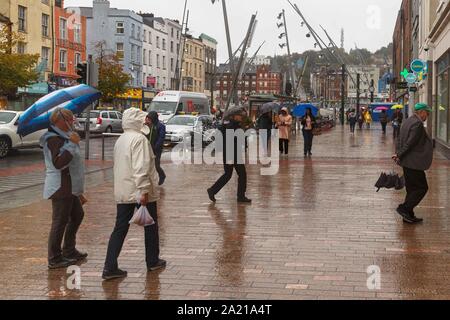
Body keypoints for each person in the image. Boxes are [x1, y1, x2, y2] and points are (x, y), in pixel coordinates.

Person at [103, 108, 165, 280]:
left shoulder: (121, 139)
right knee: (150, 226)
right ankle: (152, 261)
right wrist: (144, 190)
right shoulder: (139, 139)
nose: (145, 122)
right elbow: (141, 167)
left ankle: (109, 266)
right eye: (142, 119)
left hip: (124, 190)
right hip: (139, 191)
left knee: (120, 227)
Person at [40, 108, 88, 269]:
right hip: (60, 187)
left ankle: (68, 249)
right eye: (70, 119)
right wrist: (72, 144)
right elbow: (59, 163)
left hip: (70, 187)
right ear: (60, 120)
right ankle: (54, 257)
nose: (72, 122)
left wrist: (79, 192)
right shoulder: (53, 138)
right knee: (59, 221)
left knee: (77, 215)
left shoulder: (64, 136)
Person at [392, 103, 433, 224]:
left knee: (411, 189)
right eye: (427, 112)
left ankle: (408, 215)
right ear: (421, 112)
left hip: (407, 162)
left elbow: (399, 139)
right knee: (422, 188)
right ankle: (404, 209)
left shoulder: (407, 121)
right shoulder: (418, 123)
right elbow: (410, 143)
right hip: (413, 162)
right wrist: (399, 154)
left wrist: (398, 153)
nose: (428, 115)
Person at [207, 108, 251, 204]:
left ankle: (212, 190)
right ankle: (241, 196)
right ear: (233, 116)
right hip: (232, 153)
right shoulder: (232, 125)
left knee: (228, 174)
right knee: (241, 174)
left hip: (230, 152)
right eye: (239, 115)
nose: (241, 117)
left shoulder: (229, 124)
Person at [145, 111, 166, 186]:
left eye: (149, 118)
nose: (148, 120)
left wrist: (155, 147)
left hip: (156, 150)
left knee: (156, 165)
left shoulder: (161, 126)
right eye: (147, 118)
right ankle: (148, 180)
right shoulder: (147, 125)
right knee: (146, 165)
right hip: (147, 148)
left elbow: (161, 138)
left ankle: (162, 175)